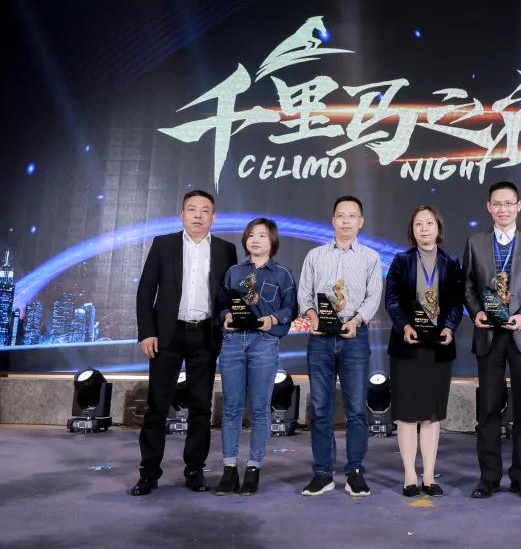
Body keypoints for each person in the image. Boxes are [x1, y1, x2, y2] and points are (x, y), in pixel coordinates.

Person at [130, 190, 237, 496]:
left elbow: (229, 296)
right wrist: (146, 332)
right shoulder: (163, 244)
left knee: (201, 407)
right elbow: (145, 291)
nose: (198, 215)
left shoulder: (226, 250)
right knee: (157, 405)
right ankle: (149, 473)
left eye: (205, 210)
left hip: (205, 335)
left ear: (213, 217)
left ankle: (195, 470)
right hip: (167, 335)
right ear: (182, 214)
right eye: (192, 209)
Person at [463, 181, 521, 500]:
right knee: (488, 408)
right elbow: (467, 286)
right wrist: (476, 311)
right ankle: (488, 477)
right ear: (489, 208)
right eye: (497, 204)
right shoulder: (475, 242)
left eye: (509, 203)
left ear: (519, 206)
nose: (503, 209)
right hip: (488, 334)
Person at [297, 195, 383, 498]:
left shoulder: (371, 257)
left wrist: (356, 321)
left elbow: (374, 296)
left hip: (354, 336)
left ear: (361, 221)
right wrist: (312, 316)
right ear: (333, 220)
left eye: (352, 216)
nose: (346, 221)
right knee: (320, 408)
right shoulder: (315, 256)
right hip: (320, 337)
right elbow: (304, 293)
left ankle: (355, 471)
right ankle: (323, 473)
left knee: (357, 409)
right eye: (341, 215)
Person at [385, 206, 464, 497]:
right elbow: (392, 300)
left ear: (438, 227)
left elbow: (456, 302)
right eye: (418, 224)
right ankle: (409, 475)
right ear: (412, 229)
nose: (424, 228)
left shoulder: (452, 262)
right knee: (407, 413)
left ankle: (429, 476)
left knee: (432, 414)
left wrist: (450, 327)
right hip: (407, 346)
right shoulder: (401, 260)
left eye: (429, 223)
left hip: (438, 346)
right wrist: (404, 326)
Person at [214, 218, 297, 495]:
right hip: (233, 343)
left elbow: (291, 309)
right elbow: (221, 305)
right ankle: (229, 469)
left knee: (260, 408)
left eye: (262, 235)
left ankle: (253, 468)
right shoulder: (234, 272)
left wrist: (273, 319)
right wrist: (226, 316)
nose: (256, 240)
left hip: (264, 343)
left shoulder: (282, 275)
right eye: (251, 235)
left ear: (272, 241)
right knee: (231, 408)